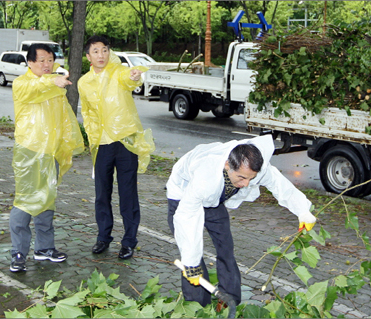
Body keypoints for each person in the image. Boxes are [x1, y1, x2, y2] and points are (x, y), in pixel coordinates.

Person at [167, 135, 317, 307]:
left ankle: (229, 299)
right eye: (241, 178)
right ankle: (197, 306)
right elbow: (187, 218)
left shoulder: (256, 168)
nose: (246, 184)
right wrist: (191, 264)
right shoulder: (205, 175)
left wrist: (303, 211)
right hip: (183, 195)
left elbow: (280, 185)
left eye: (250, 178)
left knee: (226, 246)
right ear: (227, 165)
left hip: (215, 199)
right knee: (192, 253)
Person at [9, 44, 84, 272]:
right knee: (25, 200)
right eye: (41, 60)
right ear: (30, 62)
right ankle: (18, 252)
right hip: (29, 151)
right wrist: (53, 80)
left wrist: (66, 146)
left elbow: (63, 118)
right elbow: (34, 87)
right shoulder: (22, 83)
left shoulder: (56, 82)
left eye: (50, 60)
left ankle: (44, 248)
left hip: (50, 151)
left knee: (47, 198)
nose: (46, 65)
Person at [78, 35, 154, 260]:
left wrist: (134, 75)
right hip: (101, 144)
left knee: (128, 193)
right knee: (102, 193)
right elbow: (88, 114)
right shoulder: (84, 82)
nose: (101, 55)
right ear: (88, 56)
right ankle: (103, 237)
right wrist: (92, 141)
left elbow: (130, 79)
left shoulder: (118, 71)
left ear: (109, 52)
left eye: (104, 50)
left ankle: (129, 241)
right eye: (95, 51)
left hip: (124, 141)